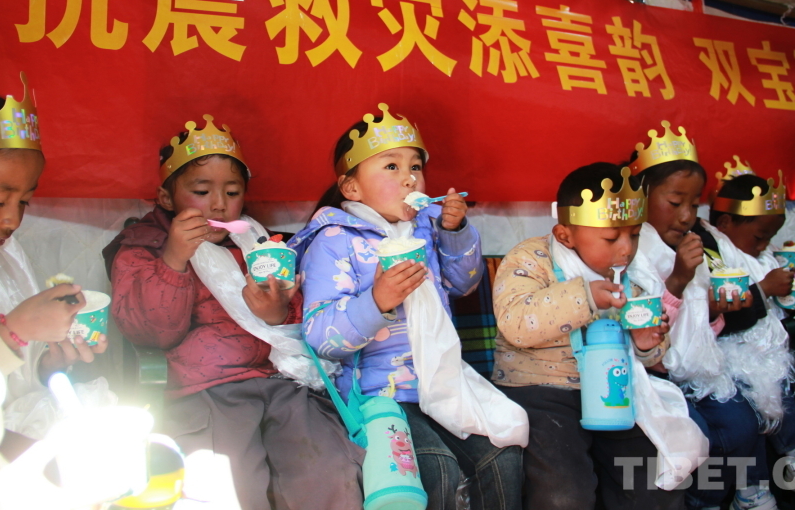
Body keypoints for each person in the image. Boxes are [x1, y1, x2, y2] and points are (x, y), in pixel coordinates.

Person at [103, 114, 363, 510]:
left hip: (283, 384)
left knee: (330, 475)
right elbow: (151, 332)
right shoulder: (145, 247)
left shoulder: (262, 245)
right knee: (231, 488)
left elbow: (305, 320)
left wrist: (278, 312)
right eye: (201, 191)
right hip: (206, 392)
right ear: (167, 198)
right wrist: (174, 258)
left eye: (232, 191)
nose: (219, 204)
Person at [290, 104, 524, 510]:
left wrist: (454, 232)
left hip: (442, 382)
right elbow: (321, 338)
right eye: (392, 167)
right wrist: (376, 301)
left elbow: (464, 284)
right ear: (351, 188)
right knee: (437, 468)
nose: (410, 178)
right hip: (376, 394)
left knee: (502, 455)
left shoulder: (426, 228)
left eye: (416, 166)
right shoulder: (334, 240)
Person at [491, 161, 694, 510]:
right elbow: (516, 322)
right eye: (612, 238)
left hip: (614, 393)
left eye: (634, 234)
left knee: (655, 483)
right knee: (564, 495)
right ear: (565, 235)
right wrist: (584, 297)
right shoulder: (530, 259)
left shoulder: (633, 277)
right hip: (539, 390)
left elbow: (651, 349)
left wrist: (646, 344)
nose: (626, 249)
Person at [0, 77, 108, 451]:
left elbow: (11, 384)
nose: (13, 220)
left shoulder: (6, 256)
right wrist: (15, 332)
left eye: (24, 201)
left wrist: (46, 363)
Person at [624, 125, 764, 510]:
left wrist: (715, 311)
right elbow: (643, 332)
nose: (687, 216)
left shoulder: (692, 245)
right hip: (649, 375)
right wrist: (677, 281)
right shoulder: (628, 248)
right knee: (696, 436)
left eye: (695, 204)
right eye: (674, 202)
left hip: (694, 371)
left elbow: (699, 327)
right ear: (641, 197)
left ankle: (709, 500)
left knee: (742, 425)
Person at [695, 171, 795, 509]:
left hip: (759, 352)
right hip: (719, 352)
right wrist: (763, 289)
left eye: (768, 238)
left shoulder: (761, 256)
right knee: (747, 394)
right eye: (759, 237)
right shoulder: (710, 251)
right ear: (725, 224)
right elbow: (722, 314)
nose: (763, 246)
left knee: (773, 380)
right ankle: (754, 487)